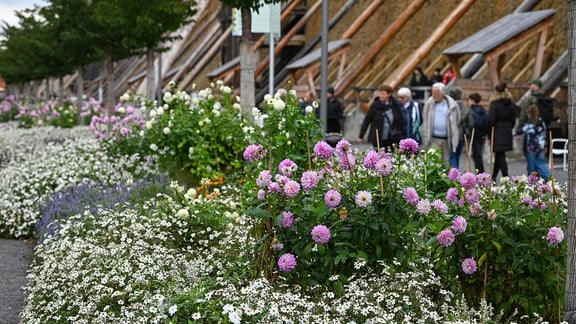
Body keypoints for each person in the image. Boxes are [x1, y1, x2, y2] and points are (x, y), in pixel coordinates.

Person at [420, 82, 461, 163]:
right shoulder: (429, 103)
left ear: (442, 94)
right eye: (432, 93)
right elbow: (425, 117)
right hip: (433, 139)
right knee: (433, 162)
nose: (433, 95)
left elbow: (457, 119)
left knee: (445, 163)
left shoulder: (452, 104)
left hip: (447, 140)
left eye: (436, 93)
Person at [358, 85, 406, 151]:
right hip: (378, 137)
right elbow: (367, 120)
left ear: (389, 94)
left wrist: (403, 134)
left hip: (391, 137)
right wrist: (361, 136)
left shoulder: (395, 105)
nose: (381, 96)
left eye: (383, 94)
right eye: (380, 94)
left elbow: (400, 120)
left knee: (390, 155)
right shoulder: (375, 105)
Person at [488, 83, 517, 182]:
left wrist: (489, 134)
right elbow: (513, 119)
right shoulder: (511, 104)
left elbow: (491, 120)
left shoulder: (494, 104)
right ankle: (493, 177)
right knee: (499, 155)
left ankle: (505, 178)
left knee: (500, 156)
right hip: (507, 130)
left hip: (497, 131)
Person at [516, 104, 551, 181]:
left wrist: (514, 134)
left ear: (529, 113)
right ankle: (548, 180)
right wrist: (545, 146)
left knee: (531, 168)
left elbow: (520, 131)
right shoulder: (542, 122)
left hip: (531, 148)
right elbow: (545, 135)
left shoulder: (530, 124)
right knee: (541, 164)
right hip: (541, 147)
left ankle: (533, 183)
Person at [446, 86, 474, 169]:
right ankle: (456, 172)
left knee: (451, 155)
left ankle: (453, 175)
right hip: (461, 134)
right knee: (457, 155)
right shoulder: (465, 107)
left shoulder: (448, 106)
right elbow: (471, 123)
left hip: (449, 134)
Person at [467, 93, 488, 173]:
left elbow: (471, 123)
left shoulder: (472, 111)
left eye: (469, 100)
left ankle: (480, 172)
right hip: (482, 135)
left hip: (474, 134)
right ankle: (480, 172)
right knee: (479, 155)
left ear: (473, 100)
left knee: (476, 156)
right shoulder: (483, 110)